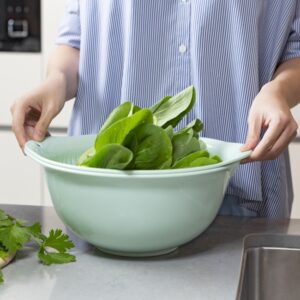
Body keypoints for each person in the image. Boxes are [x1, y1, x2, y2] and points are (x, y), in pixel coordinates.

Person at [11, 1, 300, 218]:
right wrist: (55, 82)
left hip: (236, 189)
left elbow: (295, 47)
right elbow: (77, 40)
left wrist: (279, 91)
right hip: (106, 191)